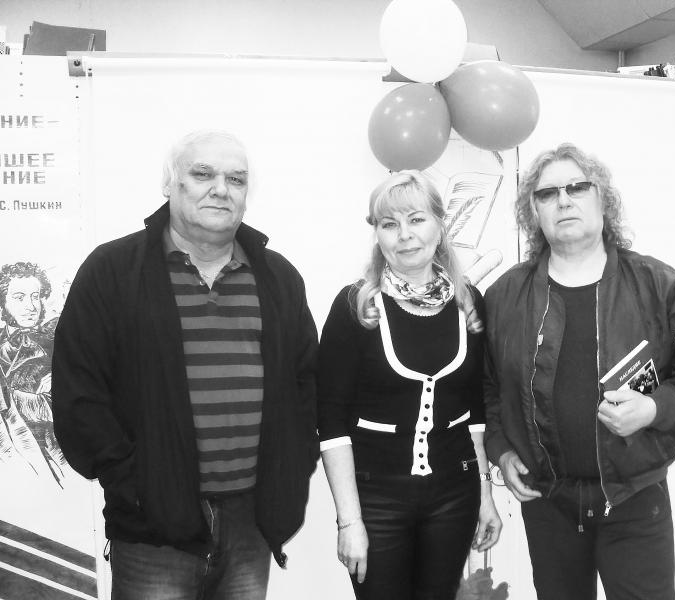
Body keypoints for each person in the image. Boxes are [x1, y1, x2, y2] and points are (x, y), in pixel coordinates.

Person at [52, 130, 318, 599]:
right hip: (151, 526)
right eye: (203, 174)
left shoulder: (278, 277)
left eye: (236, 179)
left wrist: (290, 471)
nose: (221, 189)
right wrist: (135, 486)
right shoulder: (113, 271)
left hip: (251, 523)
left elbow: (306, 386)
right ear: (169, 184)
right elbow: (79, 393)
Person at [483, 143, 675, 600]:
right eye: (547, 193)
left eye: (577, 187)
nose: (563, 201)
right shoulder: (504, 296)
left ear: (603, 199)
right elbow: (489, 388)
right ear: (534, 212)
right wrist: (501, 450)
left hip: (635, 498)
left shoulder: (661, 286)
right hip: (548, 502)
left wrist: (653, 408)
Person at [317, 170, 502, 600]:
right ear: (377, 234)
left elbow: (474, 412)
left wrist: (484, 495)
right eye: (389, 224)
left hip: (454, 496)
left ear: (440, 225)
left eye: (416, 219)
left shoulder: (469, 302)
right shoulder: (355, 307)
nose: (405, 235)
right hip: (376, 500)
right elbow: (331, 422)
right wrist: (349, 521)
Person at [0, 261, 66, 485]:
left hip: (49, 459)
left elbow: (64, 407)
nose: (31, 306)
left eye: (35, 296)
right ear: (3, 301)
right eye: (19, 298)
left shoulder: (56, 340)